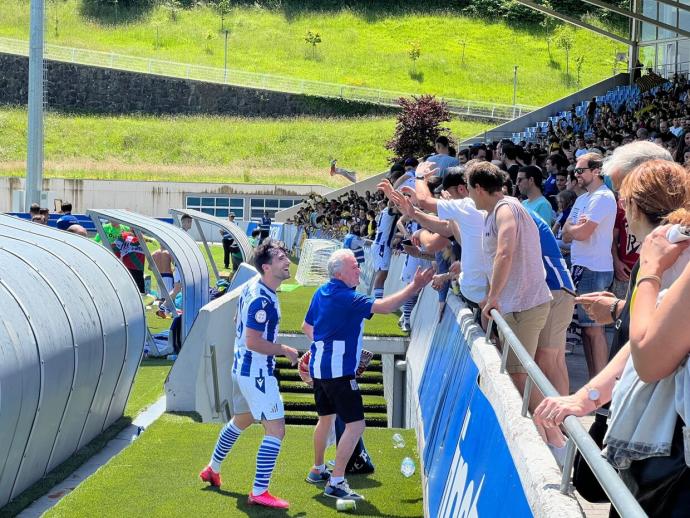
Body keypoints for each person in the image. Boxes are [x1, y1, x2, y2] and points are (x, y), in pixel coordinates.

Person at [533, 159, 689, 515]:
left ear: (631, 204)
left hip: (668, 444)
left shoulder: (664, 254)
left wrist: (649, 272)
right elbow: (648, 338)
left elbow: (648, 355)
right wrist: (588, 397)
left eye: (622, 196)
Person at [302, 249, 433, 501]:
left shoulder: (321, 292)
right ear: (339, 272)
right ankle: (337, 481)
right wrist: (415, 285)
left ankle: (318, 469)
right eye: (354, 267)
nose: (359, 270)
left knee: (325, 419)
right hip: (339, 373)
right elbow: (384, 306)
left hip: (320, 369)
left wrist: (325, 345)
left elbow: (308, 328)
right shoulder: (348, 298)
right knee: (357, 425)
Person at [199, 240, 299, 510]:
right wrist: (283, 349)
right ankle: (259, 491)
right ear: (267, 267)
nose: (286, 261)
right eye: (280, 258)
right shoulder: (261, 298)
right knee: (276, 429)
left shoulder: (255, 288)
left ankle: (212, 468)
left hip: (242, 369)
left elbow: (237, 322)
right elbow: (253, 341)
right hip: (256, 372)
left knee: (241, 420)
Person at [467, 161, 552, 394]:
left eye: (470, 190)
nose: (470, 197)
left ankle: (551, 431)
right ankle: (549, 430)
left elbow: (505, 253)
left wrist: (492, 296)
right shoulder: (498, 210)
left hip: (523, 306)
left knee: (519, 377)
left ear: (479, 189)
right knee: (517, 376)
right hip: (516, 305)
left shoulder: (505, 209)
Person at [561, 153, 616, 378]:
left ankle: (602, 387)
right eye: (575, 171)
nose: (576, 175)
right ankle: (595, 383)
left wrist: (573, 229)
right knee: (586, 331)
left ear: (596, 171)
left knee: (594, 330)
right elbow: (565, 233)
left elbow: (580, 233)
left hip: (594, 268)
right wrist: (574, 229)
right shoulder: (583, 199)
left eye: (580, 170)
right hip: (582, 267)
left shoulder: (602, 197)